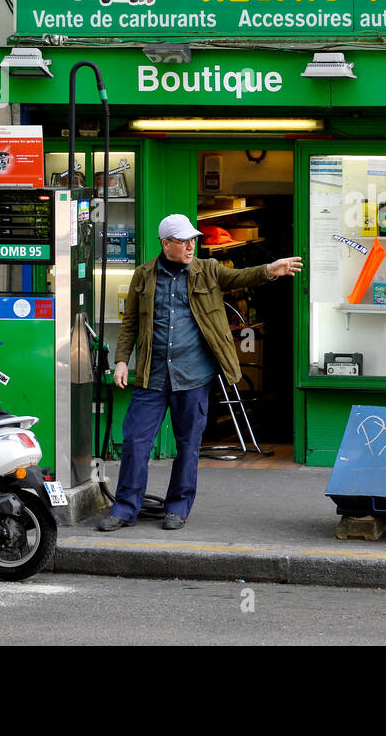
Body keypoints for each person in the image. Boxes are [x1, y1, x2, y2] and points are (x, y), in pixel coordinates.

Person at [97, 214, 302, 532]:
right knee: (136, 441)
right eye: (183, 241)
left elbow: (241, 278)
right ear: (166, 244)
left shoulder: (208, 270)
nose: (191, 245)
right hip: (152, 374)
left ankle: (177, 507)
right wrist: (122, 360)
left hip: (193, 375)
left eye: (193, 239)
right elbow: (131, 323)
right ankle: (124, 508)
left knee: (188, 445)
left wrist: (268, 271)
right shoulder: (143, 276)